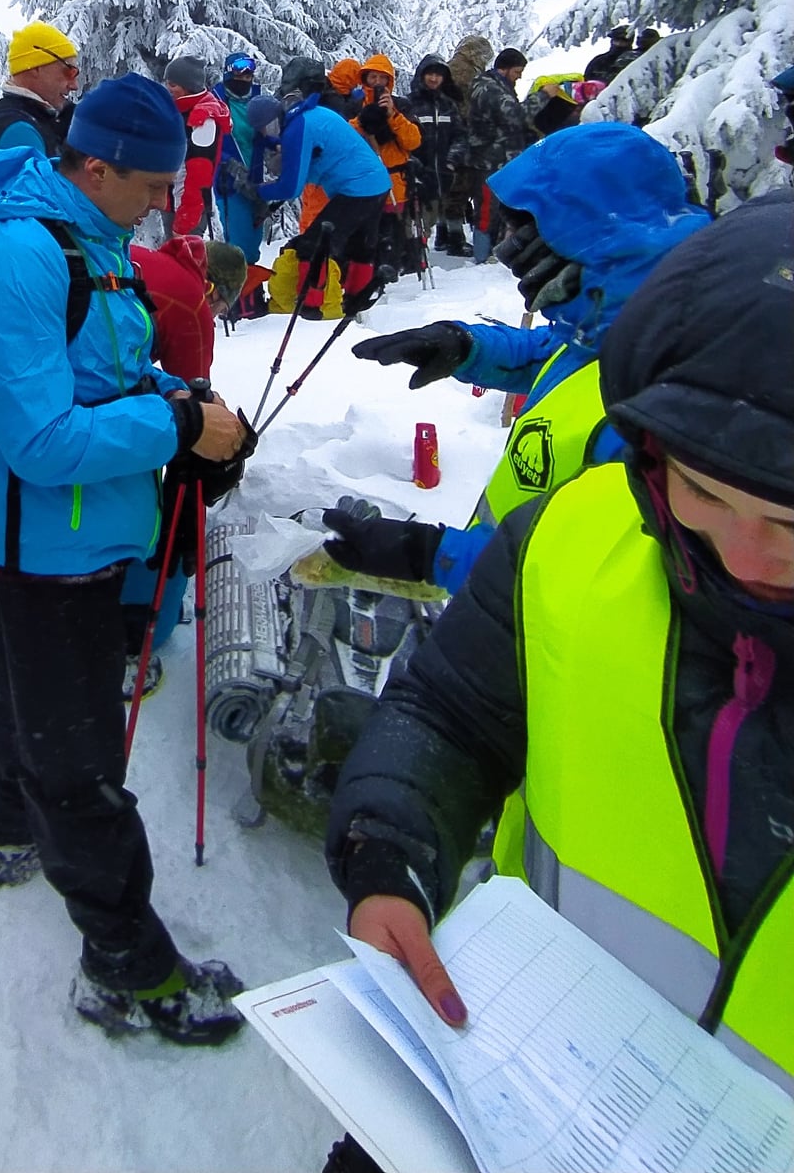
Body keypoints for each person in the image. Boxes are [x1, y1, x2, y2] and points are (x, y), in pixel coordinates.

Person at [325, 196, 794, 1111]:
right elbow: (454, 715)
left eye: (788, 521)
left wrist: (425, 554)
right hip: (535, 1071)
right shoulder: (589, 521)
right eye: (704, 495)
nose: (740, 557)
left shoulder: (677, 401)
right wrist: (392, 850)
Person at [0, 75, 247, 1044]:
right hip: (42, 547)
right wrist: (173, 424)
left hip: (75, 534)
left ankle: (7, 832)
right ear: (95, 164)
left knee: (27, 703)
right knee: (78, 762)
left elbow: (105, 374)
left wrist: (177, 395)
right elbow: (40, 443)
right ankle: (126, 967)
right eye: (151, 183)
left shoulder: (91, 240)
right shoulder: (18, 261)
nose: (165, 200)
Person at [334, 123, 710, 592]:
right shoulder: (630, 321)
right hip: (502, 600)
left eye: (523, 231)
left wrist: (430, 557)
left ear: (589, 231)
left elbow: (589, 577)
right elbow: (567, 357)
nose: (511, 250)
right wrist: (465, 346)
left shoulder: (661, 399)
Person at [120, 236, 248, 694]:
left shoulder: (148, 258)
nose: (214, 316)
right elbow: (195, 426)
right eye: (221, 309)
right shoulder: (193, 306)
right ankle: (139, 612)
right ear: (215, 291)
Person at [247, 73, 392, 320]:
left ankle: (312, 306)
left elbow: (290, 188)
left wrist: (256, 189)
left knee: (313, 245)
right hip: (377, 183)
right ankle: (355, 300)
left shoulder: (298, 128)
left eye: (263, 127)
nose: (266, 133)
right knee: (360, 246)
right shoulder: (310, 115)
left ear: (271, 120)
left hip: (357, 189)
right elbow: (320, 162)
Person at [350, 55, 423, 278]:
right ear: (365, 78)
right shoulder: (354, 105)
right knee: (367, 234)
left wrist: (393, 116)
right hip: (364, 183)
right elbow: (344, 137)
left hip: (395, 183)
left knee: (394, 232)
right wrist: (362, 121)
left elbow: (413, 141)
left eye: (383, 78)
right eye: (373, 77)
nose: (378, 83)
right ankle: (367, 276)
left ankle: (392, 273)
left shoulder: (401, 106)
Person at [0, 20, 80, 159]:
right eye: (69, 72)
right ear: (36, 68)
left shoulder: (17, 119)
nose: (74, 85)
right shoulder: (19, 133)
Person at [466, 47, 536, 261]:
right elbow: (513, 115)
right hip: (489, 160)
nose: (519, 77)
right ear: (504, 69)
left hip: (503, 160)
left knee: (502, 209)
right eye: (517, 71)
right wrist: (542, 97)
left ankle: (494, 253)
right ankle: (481, 257)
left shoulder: (502, 87)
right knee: (487, 209)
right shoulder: (487, 88)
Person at [401, 56, 469, 254]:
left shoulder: (448, 104)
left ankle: (419, 250)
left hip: (442, 174)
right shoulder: (409, 104)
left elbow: (460, 135)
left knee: (429, 218)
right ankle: (410, 255)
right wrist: (413, 164)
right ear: (421, 75)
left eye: (438, 75)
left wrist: (451, 161)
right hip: (417, 174)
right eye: (430, 74)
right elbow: (402, 140)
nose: (433, 79)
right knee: (412, 220)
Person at [161, 56, 232, 239]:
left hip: (187, 209)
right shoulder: (181, 110)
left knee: (183, 264)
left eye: (173, 85)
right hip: (173, 201)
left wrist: (184, 222)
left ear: (188, 87)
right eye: (167, 83)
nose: (168, 89)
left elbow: (200, 174)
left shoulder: (202, 118)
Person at [212, 51, 267, 263]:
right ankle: (238, 293)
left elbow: (266, 137)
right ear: (227, 74)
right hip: (230, 184)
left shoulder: (258, 102)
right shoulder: (216, 103)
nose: (244, 78)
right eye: (239, 73)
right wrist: (228, 164)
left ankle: (250, 291)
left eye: (248, 75)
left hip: (256, 181)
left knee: (254, 243)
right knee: (239, 246)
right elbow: (206, 143)